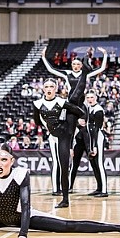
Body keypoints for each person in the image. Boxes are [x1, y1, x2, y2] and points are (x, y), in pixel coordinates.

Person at [33, 78, 85, 208]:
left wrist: (79, 121)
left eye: (52, 86)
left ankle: (65, 199)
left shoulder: (61, 101)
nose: (49, 89)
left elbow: (80, 112)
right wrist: (46, 127)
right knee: (57, 165)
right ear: (43, 89)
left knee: (64, 167)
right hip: (52, 134)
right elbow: (37, 122)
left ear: (56, 89)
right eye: (47, 86)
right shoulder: (37, 104)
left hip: (65, 134)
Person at [70, 90, 108, 197]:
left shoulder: (98, 110)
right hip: (91, 139)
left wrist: (94, 146)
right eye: (88, 98)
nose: (90, 99)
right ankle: (99, 188)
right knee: (95, 165)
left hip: (97, 139)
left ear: (96, 98)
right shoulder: (89, 108)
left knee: (99, 165)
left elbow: (97, 129)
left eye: (92, 97)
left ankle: (104, 191)